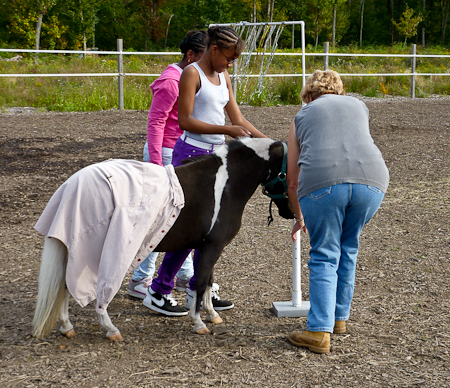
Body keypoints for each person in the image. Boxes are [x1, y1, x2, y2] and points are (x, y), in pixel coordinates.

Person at [143, 26, 268, 316]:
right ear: (214, 50)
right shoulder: (191, 74)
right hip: (192, 156)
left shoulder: (223, 75)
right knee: (191, 228)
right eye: (228, 57)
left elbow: (237, 116)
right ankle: (159, 290)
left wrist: (267, 143)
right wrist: (226, 129)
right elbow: (185, 120)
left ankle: (196, 292)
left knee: (211, 229)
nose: (230, 63)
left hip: (217, 155)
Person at [286, 69, 389, 354]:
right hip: (373, 182)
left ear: (308, 95)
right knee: (348, 247)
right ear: (340, 92)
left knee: (324, 253)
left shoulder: (302, 115)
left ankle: (319, 331)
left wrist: (299, 217)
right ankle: (339, 319)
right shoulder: (359, 106)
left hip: (323, 184)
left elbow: (292, 178)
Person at [127, 30, 207, 302]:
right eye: (203, 57)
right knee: (160, 218)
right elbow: (156, 122)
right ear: (191, 55)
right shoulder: (171, 82)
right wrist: (156, 162)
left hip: (177, 150)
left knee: (180, 217)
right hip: (165, 152)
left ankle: (181, 274)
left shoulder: (189, 78)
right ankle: (141, 278)